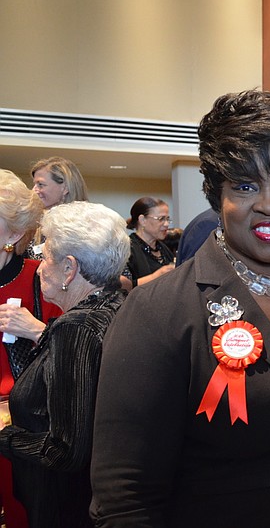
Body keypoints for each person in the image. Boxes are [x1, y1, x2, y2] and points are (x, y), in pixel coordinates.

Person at [90, 90, 270, 527]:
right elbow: (126, 497)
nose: (268, 203)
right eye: (244, 186)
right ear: (216, 197)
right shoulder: (158, 311)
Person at [0, 201, 129, 528]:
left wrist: (5, 435)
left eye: (44, 258)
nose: (40, 268)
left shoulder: (76, 328)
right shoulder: (115, 304)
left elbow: (65, 451)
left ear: (69, 269)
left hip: (66, 506)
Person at [0, 170, 64, 528]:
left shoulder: (41, 278)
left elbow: (74, 349)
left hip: (21, 431)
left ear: (13, 233)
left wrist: (38, 330)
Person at [28, 156, 89, 260]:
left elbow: (120, 275)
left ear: (65, 188)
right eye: (34, 184)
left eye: (41, 184)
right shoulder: (33, 225)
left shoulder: (90, 226)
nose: (34, 190)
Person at [120, 197, 176, 290]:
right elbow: (124, 287)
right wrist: (157, 276)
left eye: (167, 219)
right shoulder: (127, 250)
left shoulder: (163, 248)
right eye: (161, 219)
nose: (166, 224)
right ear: (142, 220)